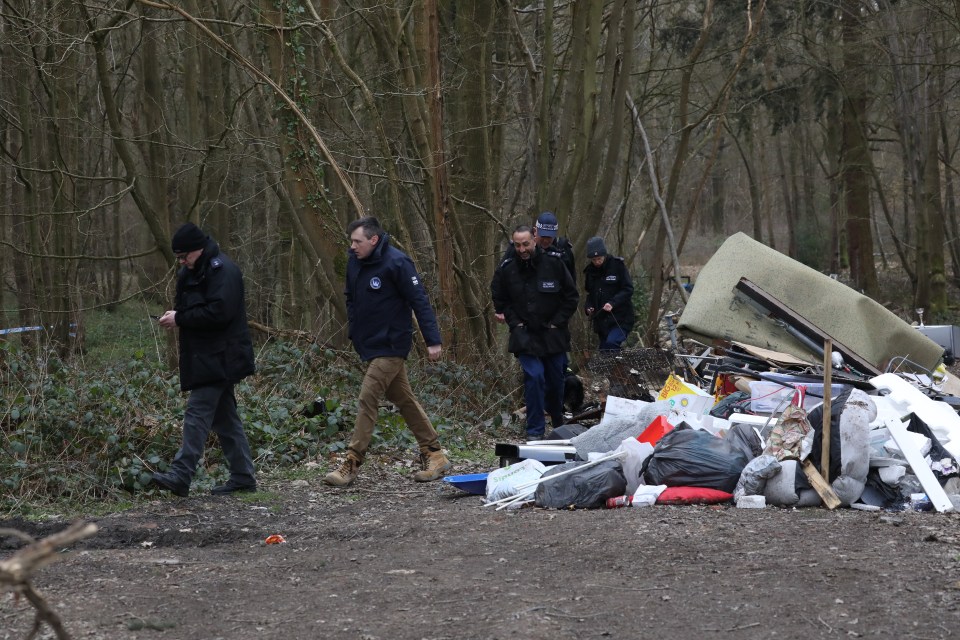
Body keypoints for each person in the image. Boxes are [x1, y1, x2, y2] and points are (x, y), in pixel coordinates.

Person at [324, 216, 451, 487]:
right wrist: (355, 333)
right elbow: (351, 299)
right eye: (351, 242)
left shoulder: (398, 262)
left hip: (393, 344)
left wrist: (433, 340)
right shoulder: (354, 262)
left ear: (373, 239)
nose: (353, 246)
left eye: (357, 241)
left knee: (367, 397)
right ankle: (435, 454)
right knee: (403, 399)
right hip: (369, 344)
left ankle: (352, 461)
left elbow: (420, 301)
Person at [151, 222, 257, 497]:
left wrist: (181, 318)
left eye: (185, 256)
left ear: (198, 249)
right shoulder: (193, 271)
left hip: (222, 356)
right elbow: (195, 308)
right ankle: (243, 476)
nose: (182, 262)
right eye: (179, 258)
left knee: (197, 413)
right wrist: (176, 315)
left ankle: (181, 473)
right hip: (206, 356)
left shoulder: (223, 271)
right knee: (226, 419)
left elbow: (220, 312)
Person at [491, 225, 579, 440]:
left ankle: (557, 421)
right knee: (534, 377)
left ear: (535, 241)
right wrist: (515, 323)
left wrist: (557, 322)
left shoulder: (554, 263)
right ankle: (535, 430)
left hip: (553, 335)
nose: (522, 249)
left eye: (526, 244)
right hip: (525, 335)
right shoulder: (507, 269)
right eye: (518, 245)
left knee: (556, 380)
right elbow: (500, 299)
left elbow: (571, 297)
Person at [583, 236, 635, 351]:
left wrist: (613, 303)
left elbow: (628, 289)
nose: (597, 262)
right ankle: (619, 367)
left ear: (604, 255)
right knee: (604, 351)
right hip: (601, 321)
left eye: (599, 258)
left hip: (621, 318)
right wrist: (588, 307)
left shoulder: (617, 266)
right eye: (594, 260)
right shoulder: (590, 272)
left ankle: (620, 366)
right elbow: (589, 295)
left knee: (611, 344)